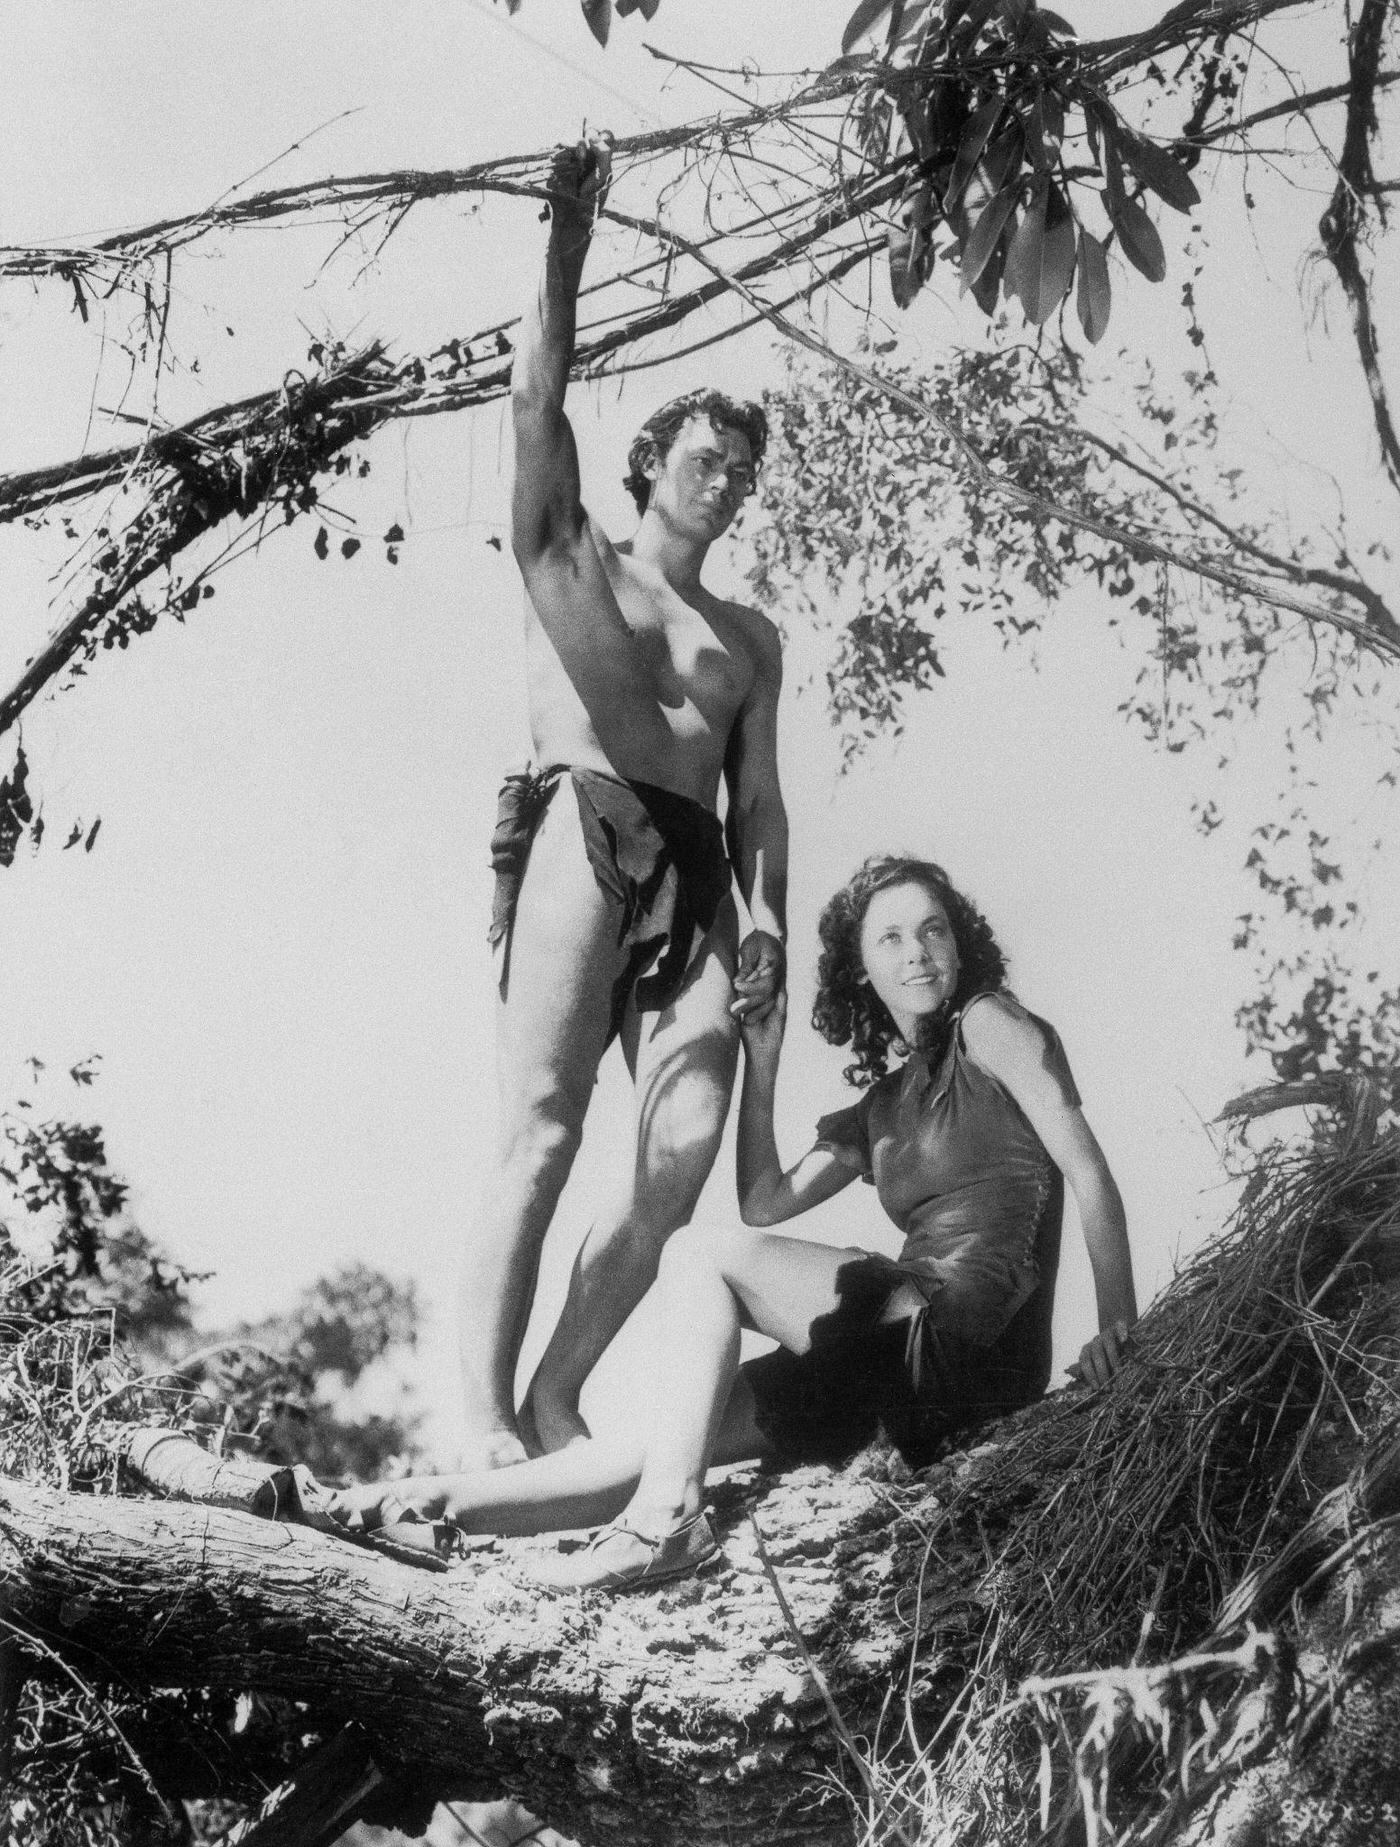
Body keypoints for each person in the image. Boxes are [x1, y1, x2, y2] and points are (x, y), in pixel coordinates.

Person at [331, 855, 1138, 1590]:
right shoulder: (883, 1106)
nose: (918, 950)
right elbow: (765, 1199)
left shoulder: (991, 1025)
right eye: (890, 937)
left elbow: (1091, 1173)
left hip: (964, 1339)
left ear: (961, 946)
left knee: (696, 1254)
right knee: (669, 1438)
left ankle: (668, 1525)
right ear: (863, 969)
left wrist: (1116, 1327)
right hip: (893, 1374)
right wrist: (766, 1054)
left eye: (933, 928)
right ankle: (422, 1502)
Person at [464, 134, 788, 1470]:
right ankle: (481, 1410)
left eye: (744, 467)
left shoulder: (751, 637)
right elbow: (537, 405)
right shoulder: (575, 556)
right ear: (653, 460)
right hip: (580, 826)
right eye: (707, 453)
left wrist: (768, 917)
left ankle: (560, 1389)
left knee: (685, 1151)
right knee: (542, 1129)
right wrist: (564, 246)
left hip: (705, 871)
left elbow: (760, 797)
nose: (727, 477)